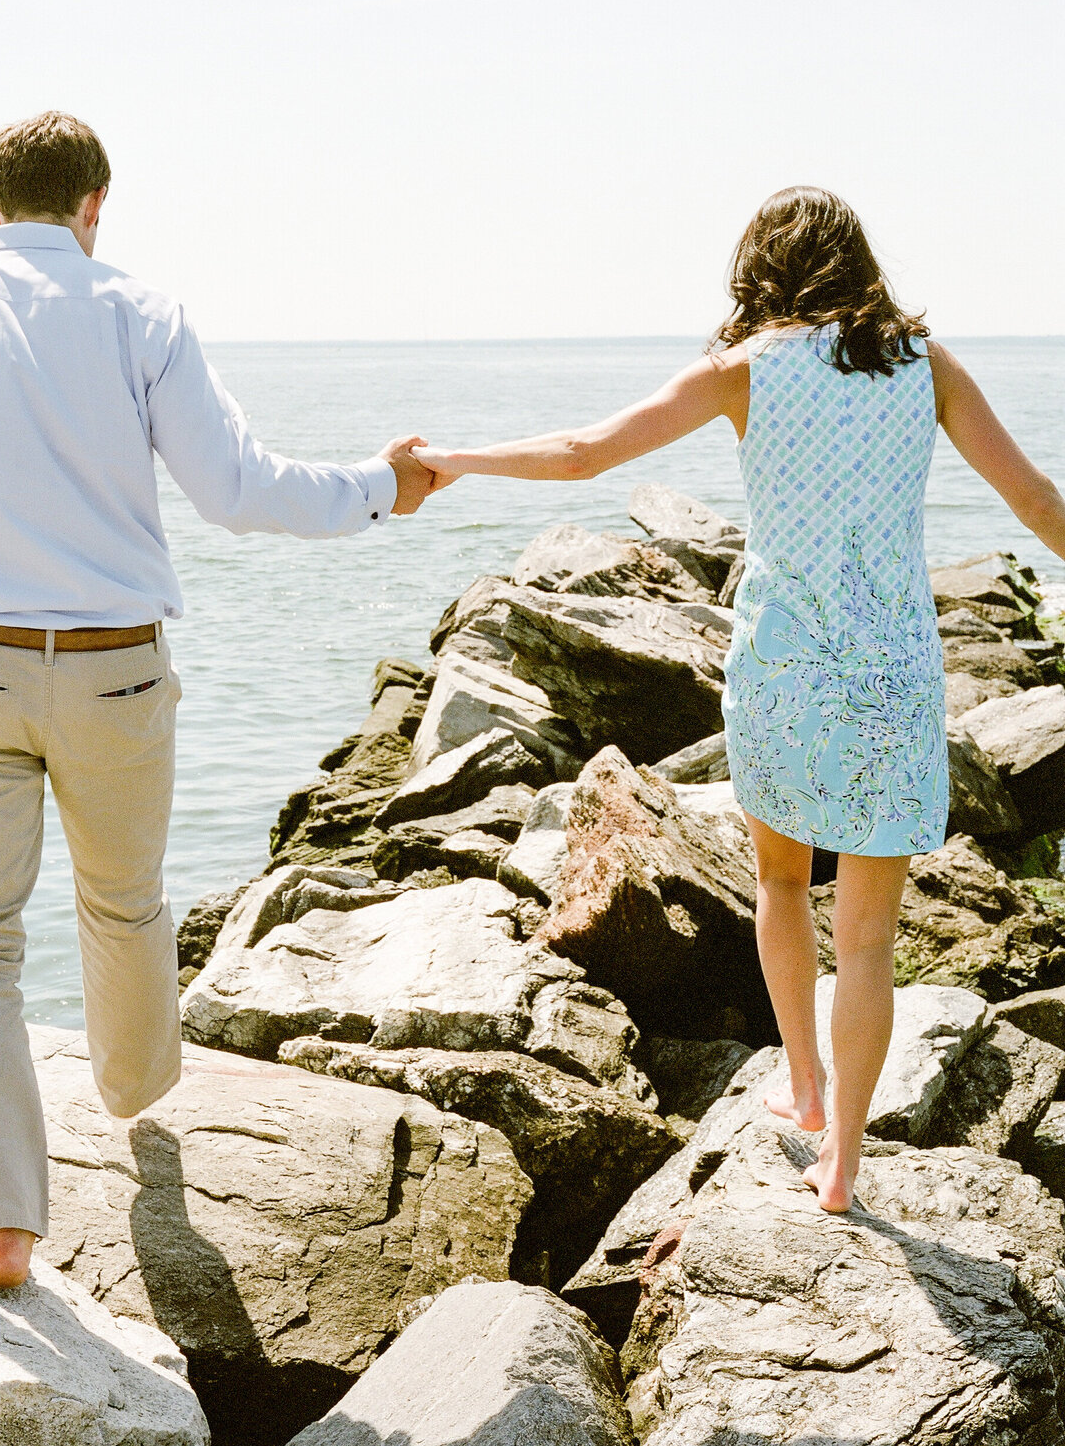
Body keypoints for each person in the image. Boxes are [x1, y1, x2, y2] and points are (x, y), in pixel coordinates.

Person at [413, 185, 1065, 1215]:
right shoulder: (925, 368)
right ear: (858, 269)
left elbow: (585, 451)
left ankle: (800, 1087)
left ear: (759, 272)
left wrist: (454, 459)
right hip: (890, 674)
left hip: (782, 671)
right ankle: (844, 1161)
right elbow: (1033, 499)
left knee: (778, 882)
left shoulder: (740, 375)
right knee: (867, 941)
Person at [0, 111, 434, 1289]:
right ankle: (133, 1099)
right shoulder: (143, 314)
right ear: (92, 206)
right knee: (122, 905)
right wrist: (385, 485)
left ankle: (4, 1226)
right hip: (117, 669)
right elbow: (237, 490)